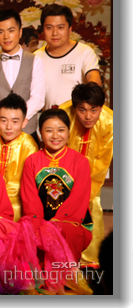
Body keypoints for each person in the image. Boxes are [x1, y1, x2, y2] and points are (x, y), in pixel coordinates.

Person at [20, 109, 93, 260]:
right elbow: (30, 199)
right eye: (48, 130)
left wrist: (56, 223)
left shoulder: (80, 161)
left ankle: (67, 273)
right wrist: (39, 224)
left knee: (67, 231)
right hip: (40, 221)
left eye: (61, 130)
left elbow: (78, 199)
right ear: (40, 132)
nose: (55, 136)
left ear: (69, 131)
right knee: (27, 231)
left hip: (71, 222)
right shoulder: (32, 161)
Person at [60, 83, 113, 267]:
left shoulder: (110, 122)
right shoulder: (63, 115)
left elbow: (101, 163)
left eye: (93, 110)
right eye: (82, 110)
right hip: (63, 178)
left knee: (93, 206)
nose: (88, 116)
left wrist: (82, 196)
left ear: (101, 108)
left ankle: (90, 261)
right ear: (75, 108)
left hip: (91, 181)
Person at [0, 9, 45, 137]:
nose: (6, 36)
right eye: (0, 32)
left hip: (27, 134)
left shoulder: (36, 61)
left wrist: (17, 121)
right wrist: (3, 122)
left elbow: (38, 98)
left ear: (20, 32)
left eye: (11, 30)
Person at [0, 93, 38, 220]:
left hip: (12, 201)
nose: (8, 127)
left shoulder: (29, 146)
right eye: (4, 120)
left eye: (15, 121)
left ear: (24, 122)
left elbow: (20, 186)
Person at [35, 3, 102, 110]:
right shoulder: (36, 57)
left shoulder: (84, 52)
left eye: (60, 27)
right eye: (49, 27)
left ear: (70, 29)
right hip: (49, 118)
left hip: (77, 118)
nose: (55, 33)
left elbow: (94, 80)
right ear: (43, 30)